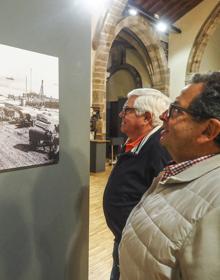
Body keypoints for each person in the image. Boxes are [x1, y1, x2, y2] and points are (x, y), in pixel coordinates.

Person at [119, 72, 220, 280]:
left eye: (175, 110)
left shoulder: (215, 207)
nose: (163, 116)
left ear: (208, 131)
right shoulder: (181, 168)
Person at [103, 88, 172, 280]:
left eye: (127, 110)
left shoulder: (159, 148)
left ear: (147, 117)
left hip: (139, 246)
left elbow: (163, 205)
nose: (120, 114)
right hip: (126, 239)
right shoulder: (137, 142)